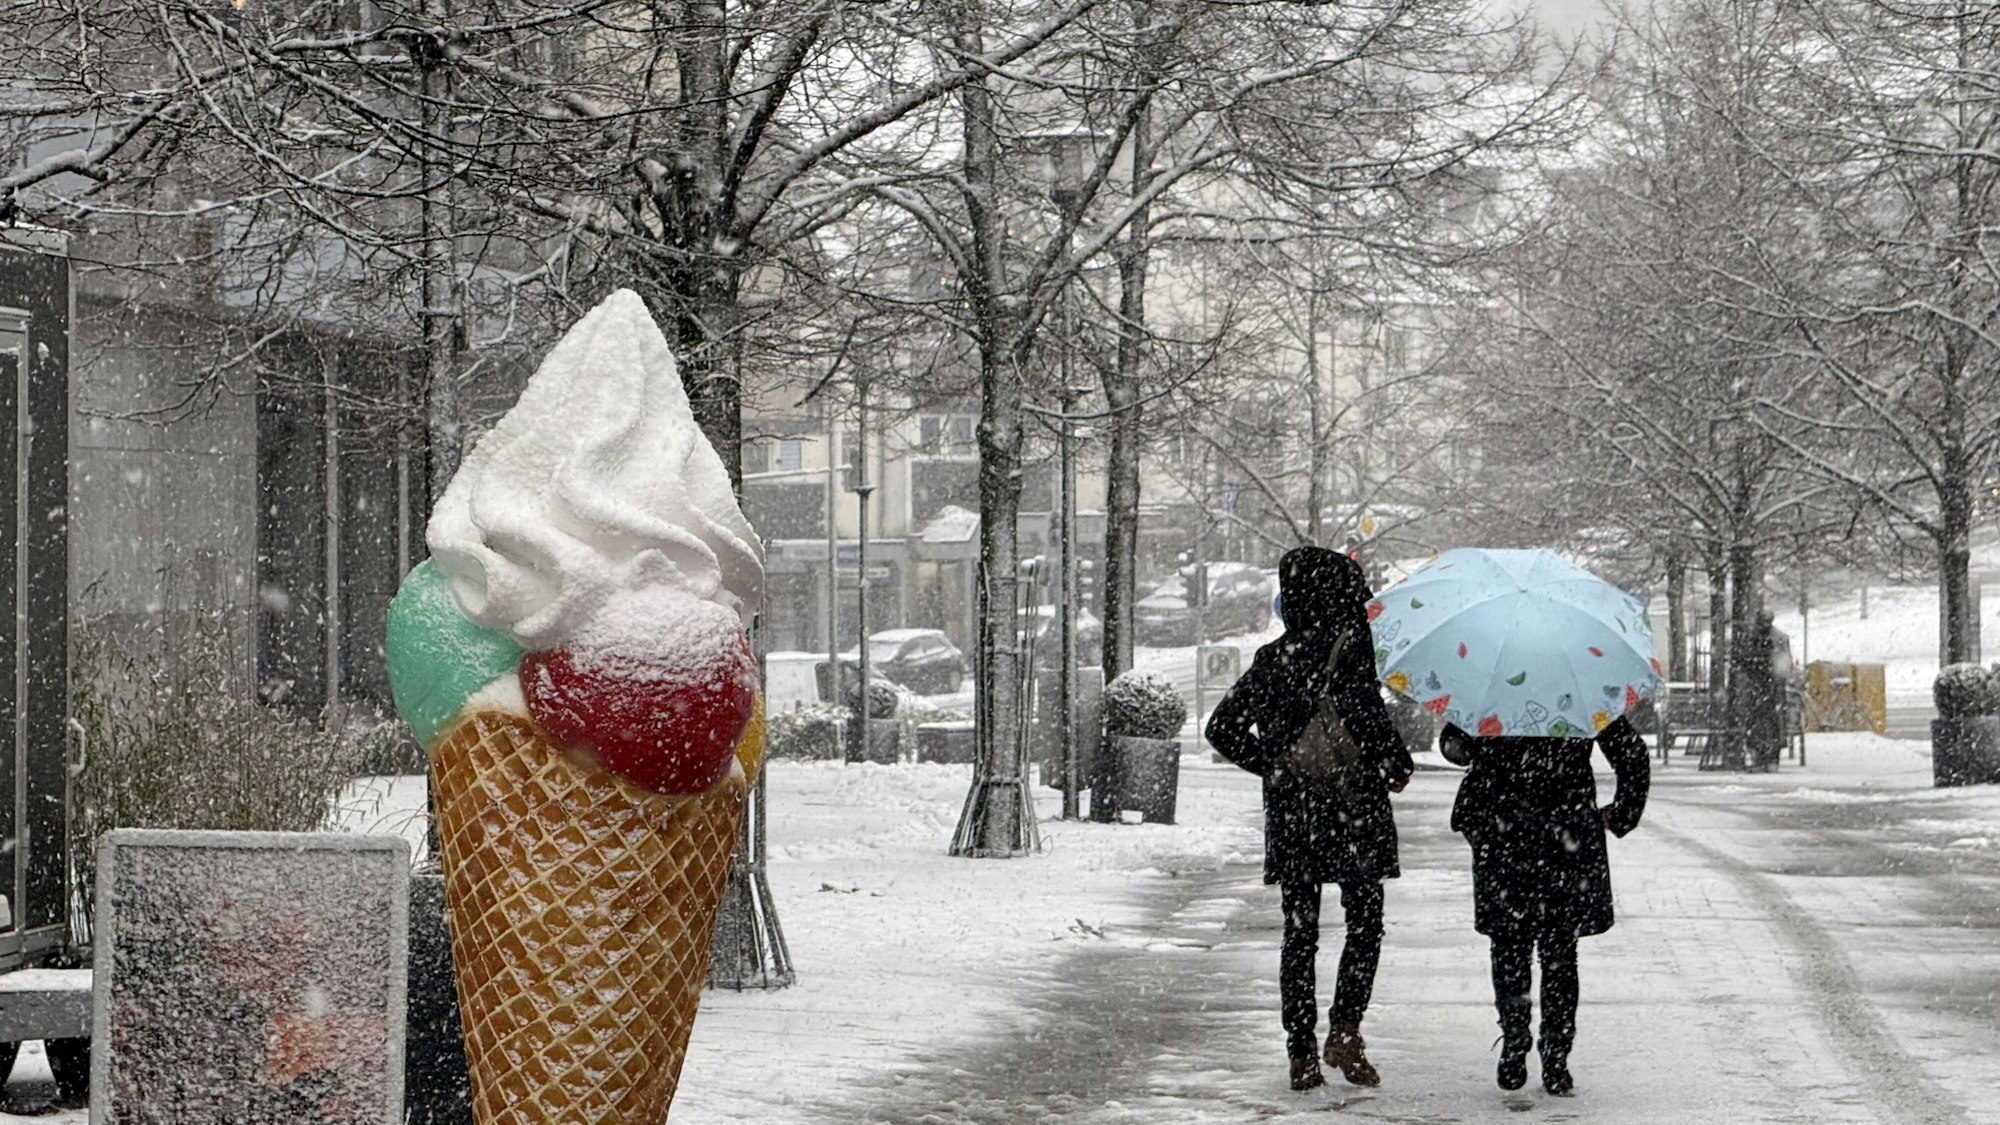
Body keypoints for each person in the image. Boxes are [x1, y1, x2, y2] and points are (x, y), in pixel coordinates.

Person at [1206, 546, 1413, 1091]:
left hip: (1296, 815)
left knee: (1299, 936)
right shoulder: (1353, 654)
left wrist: (1274, 768)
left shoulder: (1270, 661)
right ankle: (1345, 1030)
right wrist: (1396, 762)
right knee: (1364, 925)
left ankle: (1300, 1052)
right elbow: (1371, 727)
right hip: (1355, 808)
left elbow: (1220, 729)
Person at [1439, 715, 1649, 1097]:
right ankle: (1556, 1055)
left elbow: (1455, 747)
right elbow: (1631, 752)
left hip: (1502, 829)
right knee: (1560, 952)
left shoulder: (1493, 680)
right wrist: (1621, 812)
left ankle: (1516, 1036)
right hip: (1563, 830)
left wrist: (1480, 743)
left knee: (1509, 945)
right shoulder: (1580, 688)